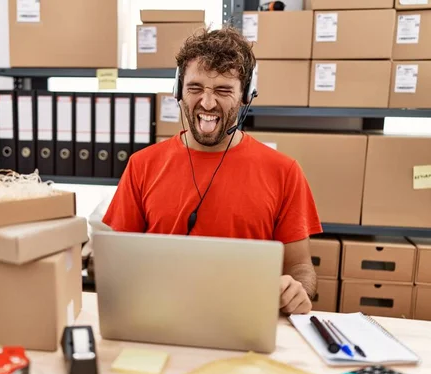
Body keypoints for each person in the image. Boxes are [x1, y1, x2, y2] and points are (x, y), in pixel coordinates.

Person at [101, 25, 323, 315]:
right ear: (178, 90)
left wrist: (299, 290)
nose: (207, 102)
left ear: (246, 95)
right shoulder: (142, 165)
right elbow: (120, 261)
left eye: (222, 90)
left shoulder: (284, 171)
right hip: (159, 318)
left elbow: (300, 267)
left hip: (245, 324)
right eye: (195, 88)